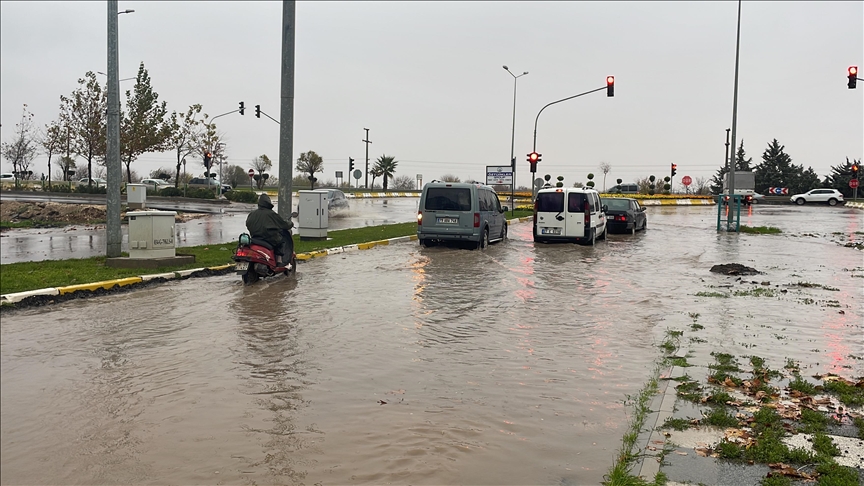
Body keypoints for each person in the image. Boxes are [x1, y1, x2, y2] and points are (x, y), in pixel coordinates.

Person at [246, 193, 294, 265]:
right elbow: (284, 224)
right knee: (281, 241)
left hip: (255, 237)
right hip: (269, 238)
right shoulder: (271, 214)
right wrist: (291, 223)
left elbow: (247, 224)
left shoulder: (252, 213)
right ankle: (279, 261)